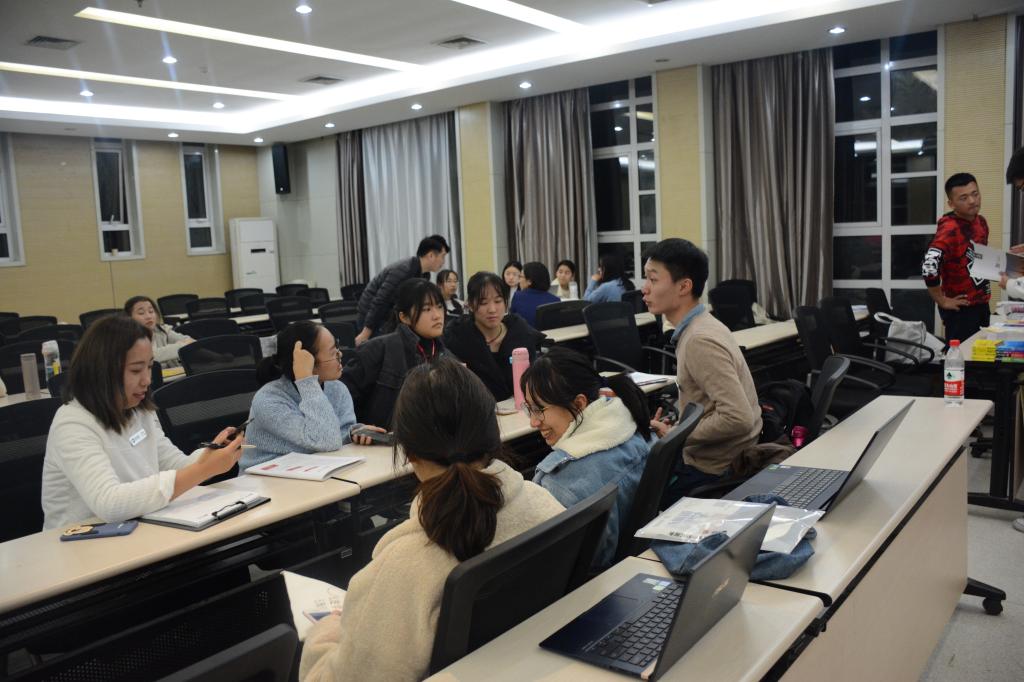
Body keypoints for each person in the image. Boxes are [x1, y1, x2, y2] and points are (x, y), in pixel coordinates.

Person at [298, 358, 564, 682]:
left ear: (408, 452)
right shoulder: (544, 504)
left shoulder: (404, 567)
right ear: (493, 434)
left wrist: (324, 632)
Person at [41, 316, 243, 529]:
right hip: (82, 540)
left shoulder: (138, 410)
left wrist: (213, 454)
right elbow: (109, 503)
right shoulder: (72, 423)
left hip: (139, 526)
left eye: (149, 367)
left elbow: (173, 464)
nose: (147, 379)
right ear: (102, 370)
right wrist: (203, 469)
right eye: (136, 370)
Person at [641, 239, 762, 505]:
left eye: (653, 279)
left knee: (633, 499)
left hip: (712, 470)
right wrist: (678, 427)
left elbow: (737, 418)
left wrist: (676, 435)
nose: (644, 288)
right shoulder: (703, 324)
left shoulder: (699, 340)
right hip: (724, 457)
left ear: (684, 286)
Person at [522, 347, 652, 569]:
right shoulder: (633, 427)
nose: (533, 422)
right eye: (529, 409)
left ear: (579, 404)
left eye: (539, 409)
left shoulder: (557, 485)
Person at [242, 322, 386, 470]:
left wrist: (353, 433)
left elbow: (337, 436)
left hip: (315, 470)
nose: (340, 354)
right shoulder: (268, 400)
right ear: (308, 362)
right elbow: (326, 441)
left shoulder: (337, 388)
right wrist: (306, 380)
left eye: (337, 348)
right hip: (266, 478)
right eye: (332, 353)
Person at [342, 279, 447, 427]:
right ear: (404, 317)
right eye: (426, 309)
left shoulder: (447, 355)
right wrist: (357, 428)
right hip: (385, 438)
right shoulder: (378, 349)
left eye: (440, 307)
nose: (437, 315)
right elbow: (341, 397)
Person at [444, 271, 545, 401]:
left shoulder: (521, 335)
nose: (492, 309)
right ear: (470, 304)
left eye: (498, 301)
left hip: (520, 408)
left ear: (506, 303)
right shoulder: (457, 339)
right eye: (483, 303)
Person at [921, 173, 992, 343]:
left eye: (975, 194)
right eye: (963, 198)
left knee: (984, 355)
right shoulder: (949, 229)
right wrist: (941, 300)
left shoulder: (981, 222)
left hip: (982, 302)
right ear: (951, 204)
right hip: (961, 309)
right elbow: (929, 266)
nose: (972, 201)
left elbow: (977, 257)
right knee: (961, 358)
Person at [354, 235, 450, 346]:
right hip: (372, 319)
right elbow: (381, 300)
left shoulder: (423, 275)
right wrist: (366, 332)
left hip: (389, 318)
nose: (443, 262)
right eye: (442, 256)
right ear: (431, 255)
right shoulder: (404, 270)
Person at [124, 295, 193, 369]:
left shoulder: (161, 330)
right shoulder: (127, 338)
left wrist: (181, 345)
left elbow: (191, 342)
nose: (148, 316)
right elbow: (148, 356)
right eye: (141, 313)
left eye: (151, 311)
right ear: (129, 318)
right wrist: (180, 346)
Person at [509, 262, 560, 328]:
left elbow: (511, 321)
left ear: (529, 281)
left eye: (520, 277)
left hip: (525, 334)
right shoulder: (556, 300)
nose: (519, 281)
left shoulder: (518, 296)